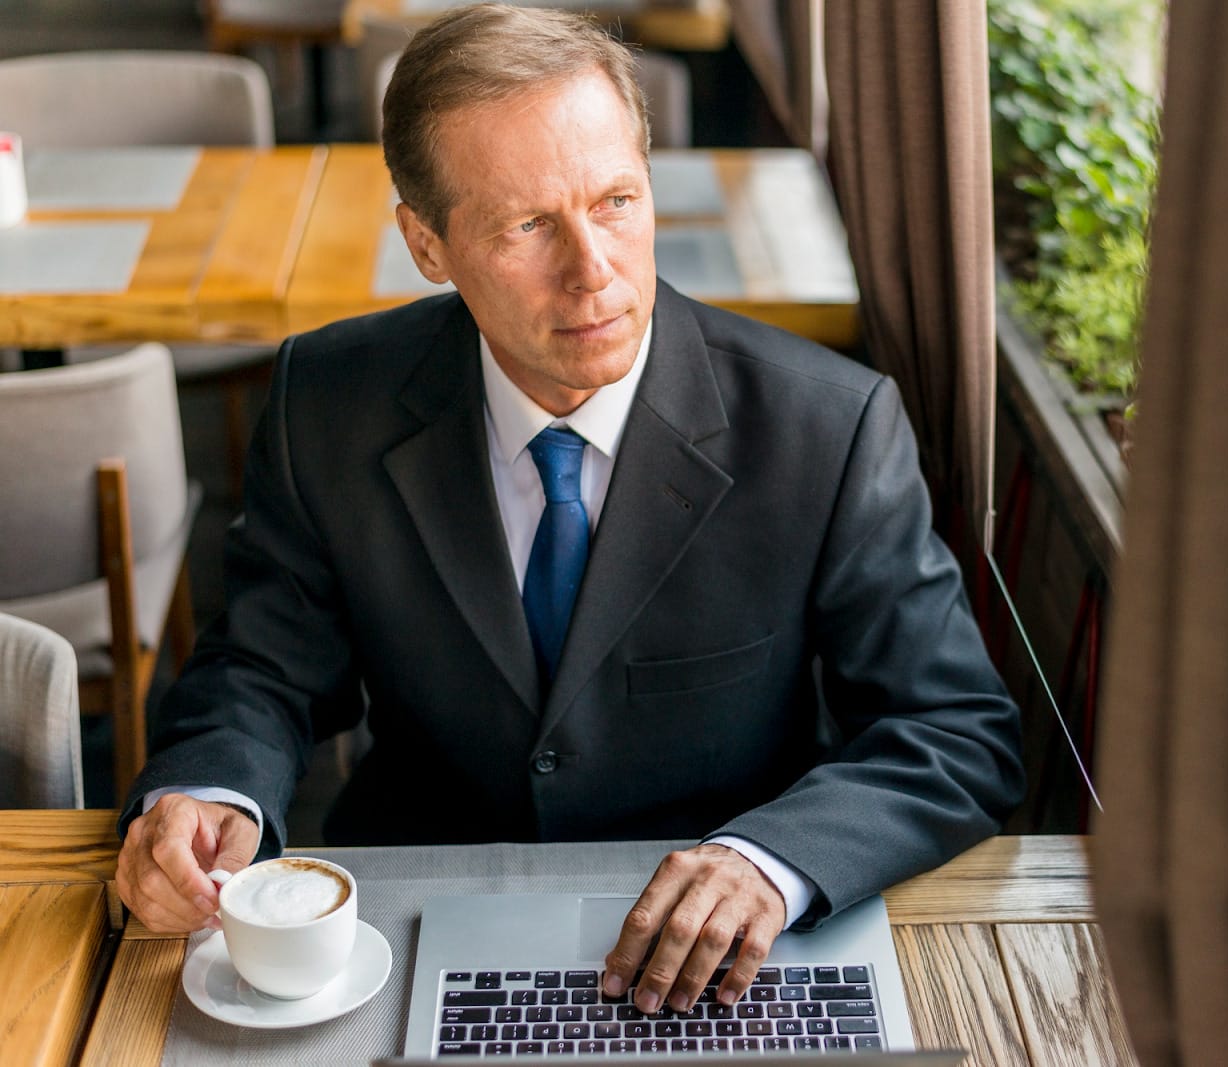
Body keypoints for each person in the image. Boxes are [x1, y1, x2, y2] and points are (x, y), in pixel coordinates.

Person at [113, 2, 1023, 1015]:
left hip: (728, 956)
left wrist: (772, 860)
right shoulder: (325, 401)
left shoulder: (828, 424)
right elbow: (262, 668)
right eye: (529, 224)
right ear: (427, 242)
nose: (593, 271)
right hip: (416, 921)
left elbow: (955, 729)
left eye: (617, 202)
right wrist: (208, 792)